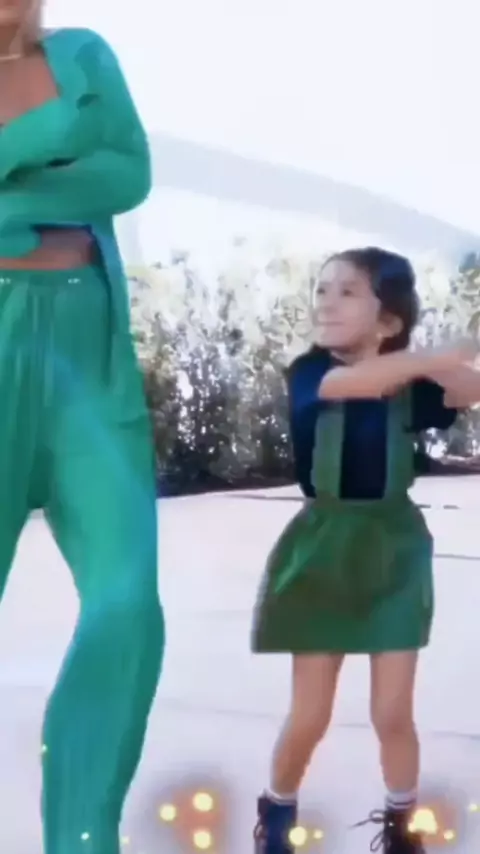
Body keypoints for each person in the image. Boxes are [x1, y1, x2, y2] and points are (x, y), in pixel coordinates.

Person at [0, 3, 165, 854]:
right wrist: (55, 139)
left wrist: (11, 192)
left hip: (89, 351)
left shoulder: (83, 54)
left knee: (126, 603)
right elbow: (90, 173)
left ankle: (84, 837)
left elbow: (126, 176)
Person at [251, 247, 480, 854]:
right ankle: (276, 814)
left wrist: (436, 364)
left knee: (392, 713)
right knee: (310, 715)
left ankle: (403, 827)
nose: (327, 301)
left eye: (348, 291)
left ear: (389, 319)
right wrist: (430, 355)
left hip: (394, 550)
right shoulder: (310, 372)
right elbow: (350, 385)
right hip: (322, 549)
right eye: (322, 289)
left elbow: (471, 390)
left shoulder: (410, 385)